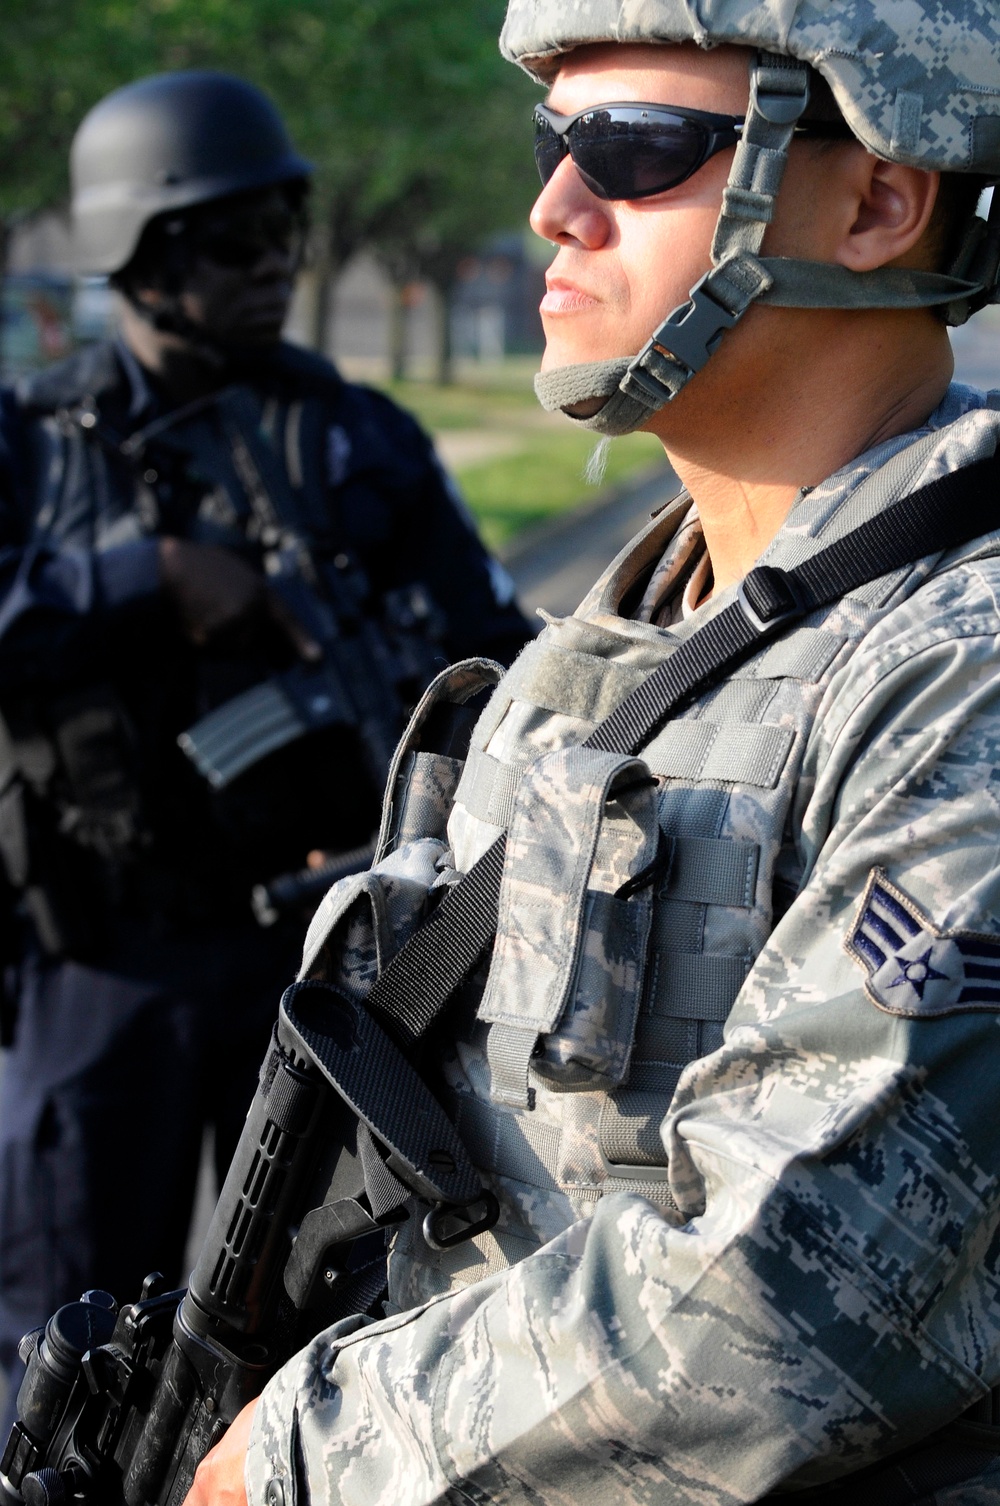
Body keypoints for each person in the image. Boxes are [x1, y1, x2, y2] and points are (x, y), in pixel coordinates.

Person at [181, 3, 1000, 1502]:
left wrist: (299, 1457)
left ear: (881, 200)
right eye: (551, 142)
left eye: (634, 149)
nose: (553, 205)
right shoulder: (605, 649)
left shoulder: (965, 671)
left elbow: (785, 1301)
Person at [0, 67, 532, 1406]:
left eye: (287, 231)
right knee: (66, 1322)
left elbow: (489, 659)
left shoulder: (357, 439)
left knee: (310, 1321)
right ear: (140, 246)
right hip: (105, 957)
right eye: (236, 240)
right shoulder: (40, 444)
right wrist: (152, 579)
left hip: (316, 957)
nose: (276, 266)